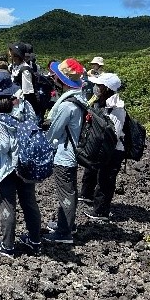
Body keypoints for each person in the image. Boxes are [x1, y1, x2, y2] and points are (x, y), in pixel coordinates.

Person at [0, 71, 42, 258]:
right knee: (29, 202)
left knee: (7, 203)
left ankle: (7, 246)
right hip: (26, 162)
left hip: (6, 168)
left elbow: (3, 145)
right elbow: (35, 123)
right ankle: (35, 240)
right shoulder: (25, 106)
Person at [43, 58, 87, 244]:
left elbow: (54, 132)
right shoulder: (81, 98)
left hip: (64, 155)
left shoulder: (66, 105)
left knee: (66, 192)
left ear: (62, 81)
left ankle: (64, 232)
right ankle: (67, 224)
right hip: (73, 153)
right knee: (70, 191)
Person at [79, 73, 126, 222]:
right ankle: (87, 196)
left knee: (106, 180)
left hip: (113, 150)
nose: (95, 88)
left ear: (106, 89)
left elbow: (114, 134)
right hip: (103, 147)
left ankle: (101, 212)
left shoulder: (117, 109)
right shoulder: (100, 102)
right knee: (95, 173)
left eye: (99, 86)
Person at [9, 43, 39, 115]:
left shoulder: (25, 70)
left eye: (11, 51)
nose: (9, 53)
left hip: (22, 107)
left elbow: (27, 93)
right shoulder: (14, 67)